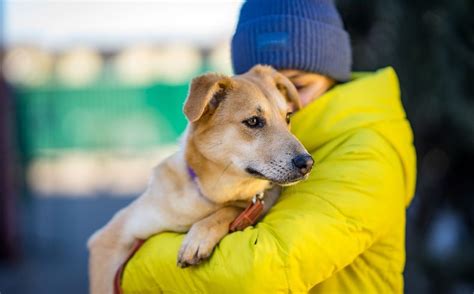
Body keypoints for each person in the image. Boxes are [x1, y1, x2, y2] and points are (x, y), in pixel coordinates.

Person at [121, 0, 416, 292]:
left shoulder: (367, 153)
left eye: (296, 87)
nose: (282, 102)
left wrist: (135, 266)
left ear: (332, 75)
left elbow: (261, 271)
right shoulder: (282, 150)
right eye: (263, 90)